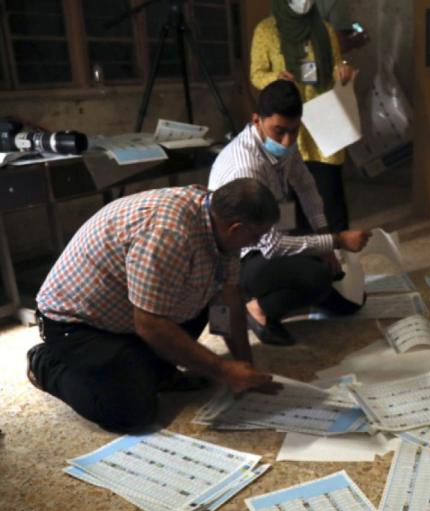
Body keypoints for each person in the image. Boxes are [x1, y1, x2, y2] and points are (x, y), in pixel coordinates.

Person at [27, 179, 283, 432]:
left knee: (198, 311)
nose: (256, 243)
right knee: (132, 412)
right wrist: (224, 370)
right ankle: (46, 363)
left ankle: (152, 369)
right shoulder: (169, 233)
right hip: (77, 324)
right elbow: (149, 324)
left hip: (131, 313)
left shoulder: (218, 219)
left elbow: (229, 297)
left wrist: (245, 366)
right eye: (256, 236)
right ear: (235, 229)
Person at [210, 80, 370, 347]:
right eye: (279, 132)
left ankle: (308, 289)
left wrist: (324, 237)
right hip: (239, 256)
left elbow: (306, 187)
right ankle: (257, 308)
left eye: (294, 132)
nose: (287, 141)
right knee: (317, 276)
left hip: (269, 235)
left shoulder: (284, 143)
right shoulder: (246, 167)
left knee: (351, 300)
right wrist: (336, 240)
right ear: (256, 120)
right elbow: (271, 246)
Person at [251, 0, 357, 232]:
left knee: (330, 189)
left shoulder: (324, 29)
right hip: (289, 124)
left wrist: (343, 70)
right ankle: (305, 252)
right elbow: (256, 74)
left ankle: (338, 249)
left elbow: (335, 64)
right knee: (295, 194)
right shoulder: (266, 30)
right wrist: (276, 79)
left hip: (324, 120)